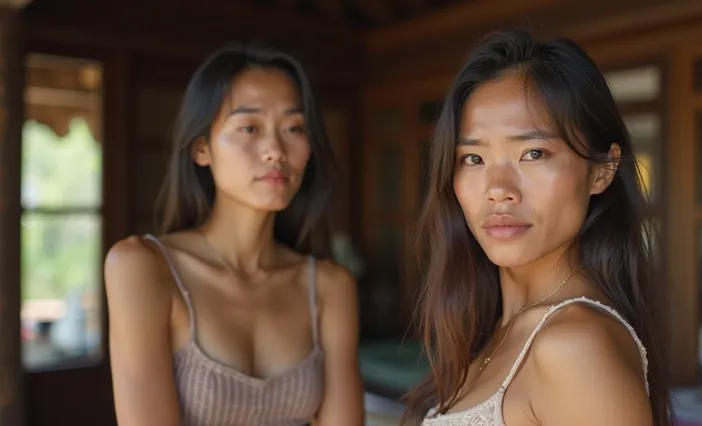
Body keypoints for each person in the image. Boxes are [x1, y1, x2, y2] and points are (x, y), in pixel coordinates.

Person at [404, 29, 672, 426]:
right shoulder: (494, 330)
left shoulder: (574, 347)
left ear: (602, 170)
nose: (498, 190)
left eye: (533, 153)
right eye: (473, 158)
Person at [104, 44, 364, 426]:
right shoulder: (143, 268)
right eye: (249, 128)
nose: (276, 150)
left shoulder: (328, 286)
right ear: (201, 148)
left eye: (294, 128)